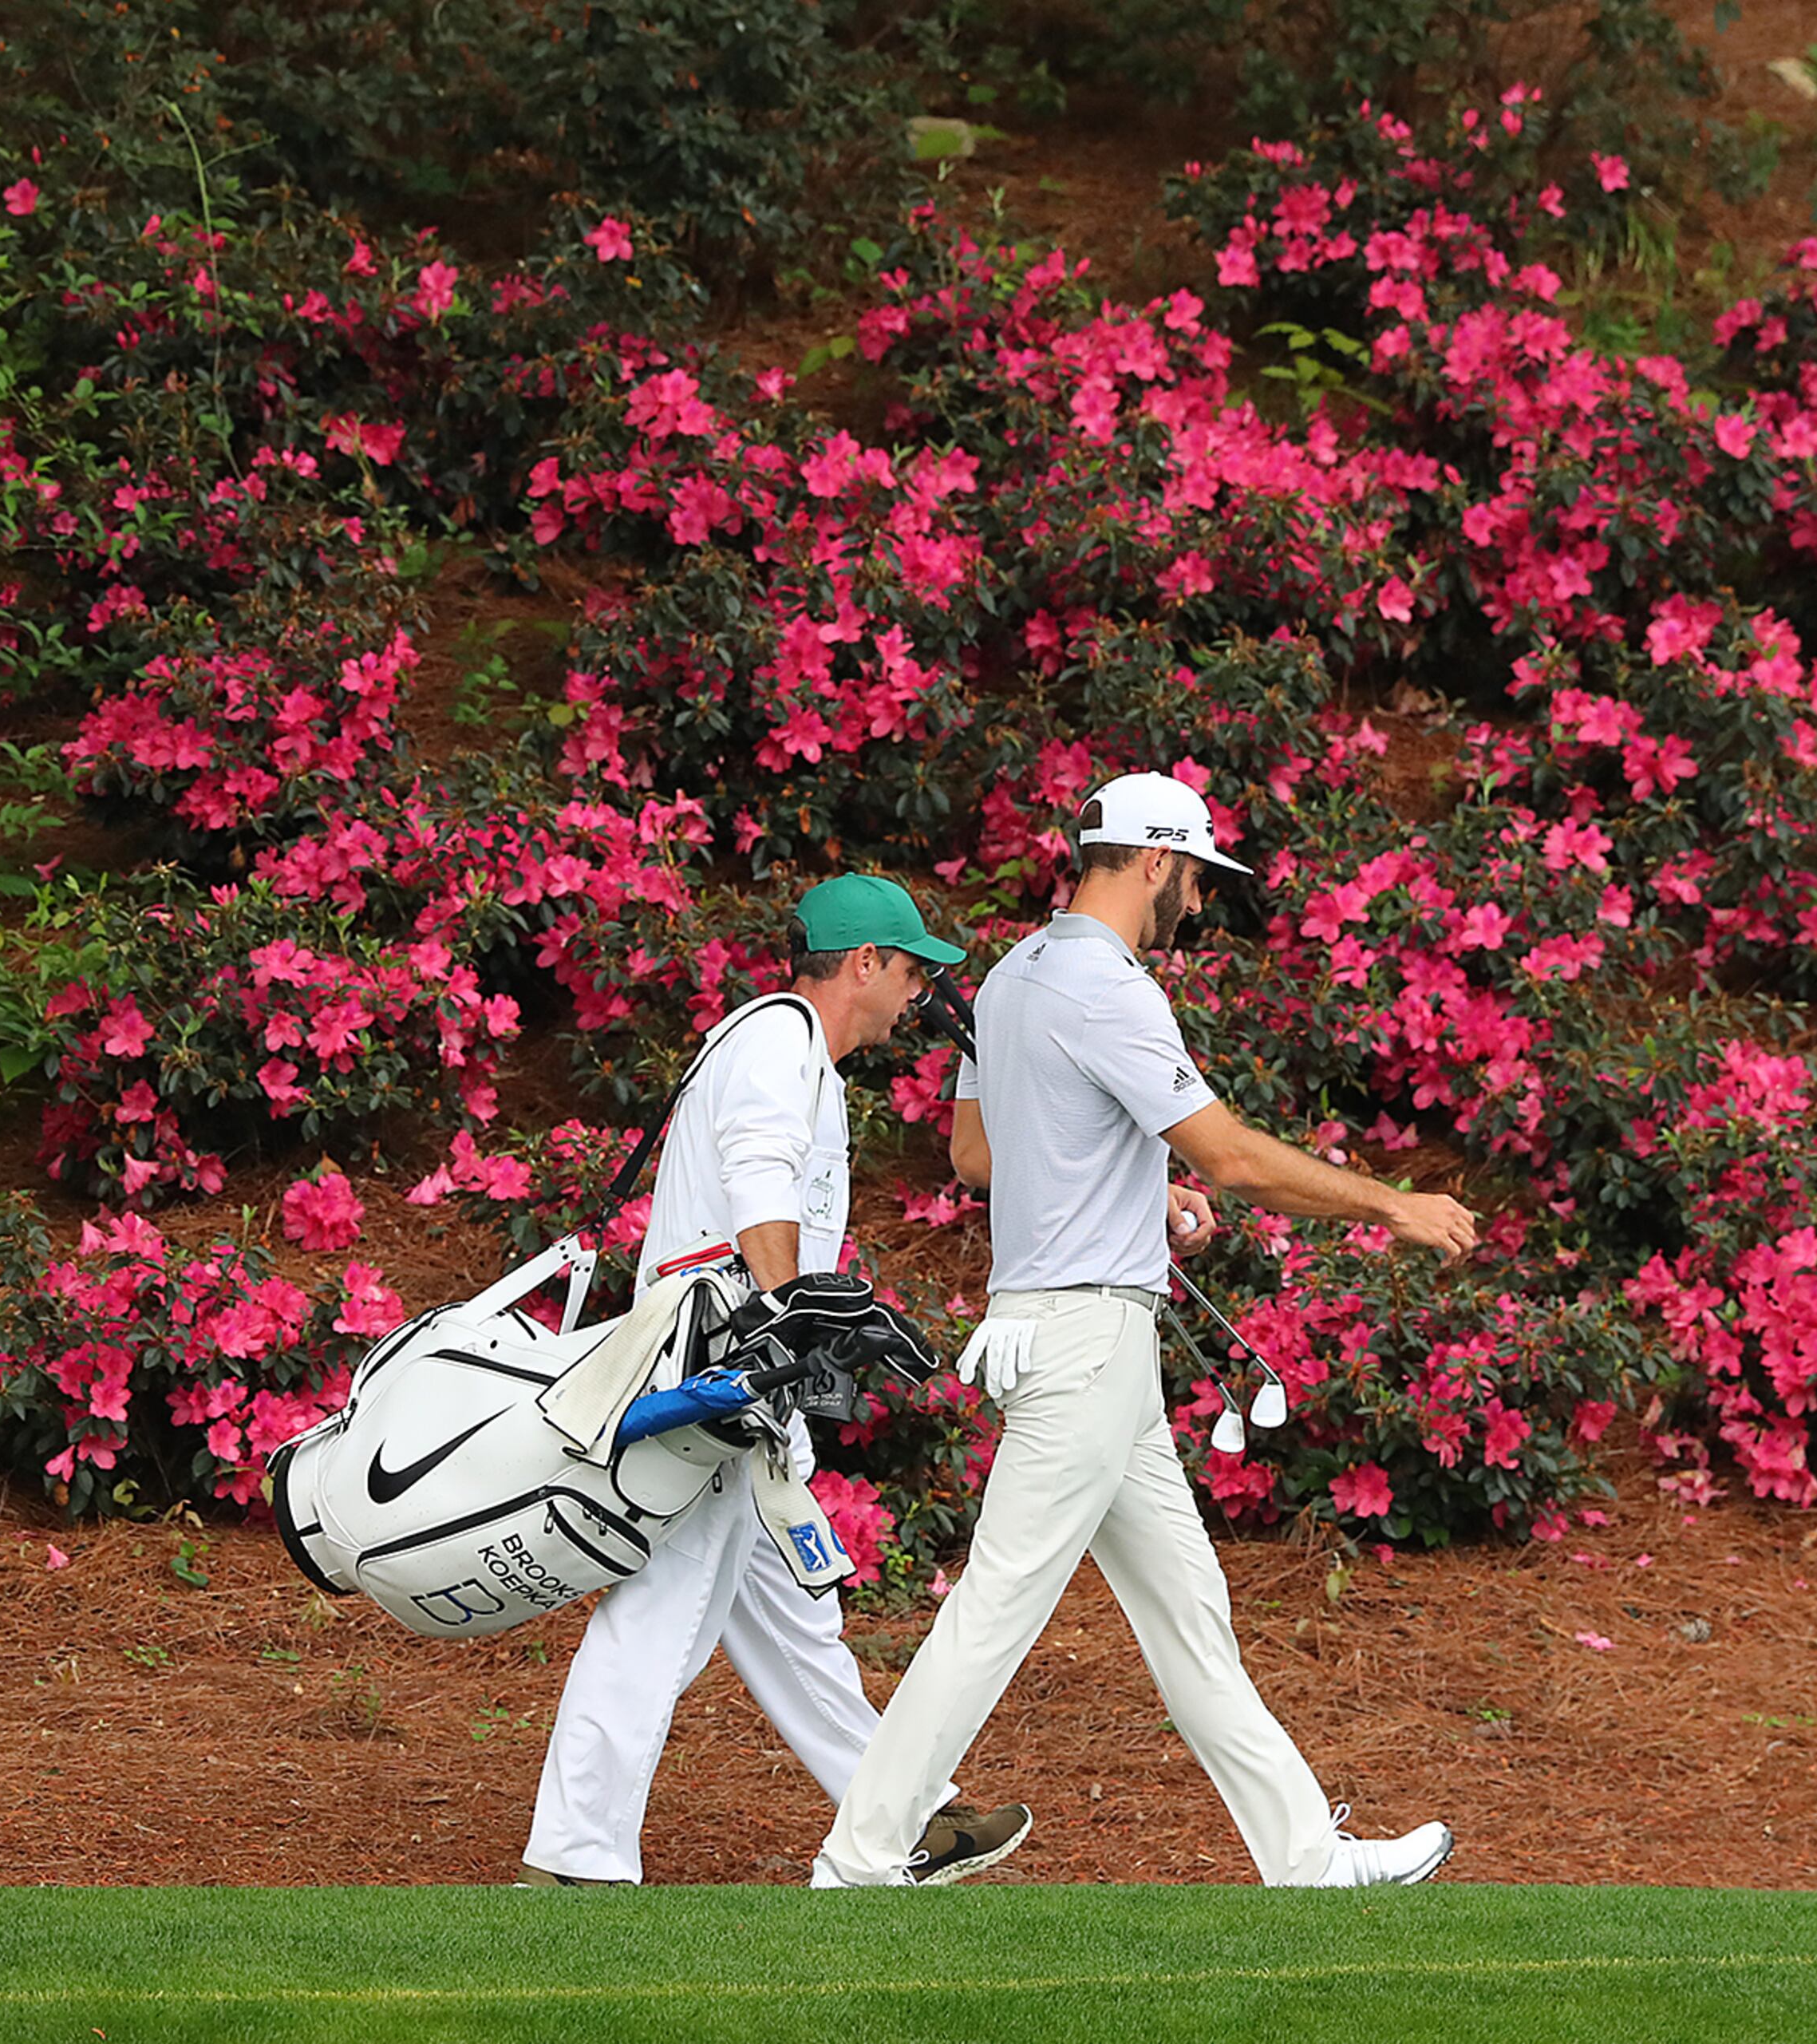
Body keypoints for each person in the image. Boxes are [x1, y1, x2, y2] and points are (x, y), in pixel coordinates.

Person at [812, 773, 1478, 1889]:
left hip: (1076, 1332)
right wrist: (1390, 1205)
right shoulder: (1105, 985)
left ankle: (1305, 1853)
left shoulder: (1017, 974)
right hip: (1086, 1341)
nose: (1203, 907)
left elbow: (981, 1157)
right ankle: (864, 1853)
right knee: (995, 1609)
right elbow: (1232, 1153)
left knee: (1188, 1613)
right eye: (1199, 881)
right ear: (1158, 861)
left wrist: (1136, 1177)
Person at [520, 874, 1033, 1888]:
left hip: (738, 1367)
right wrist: (794, 1319)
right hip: (723, 1372)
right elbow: (759, 1185)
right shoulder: (781, 1041)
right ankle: (577, 1857)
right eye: (912, 969)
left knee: (798, 1622)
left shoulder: (785, 1046)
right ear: (866, 963)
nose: (918, 993)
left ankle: (904, 1817)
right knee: (659, 1609)